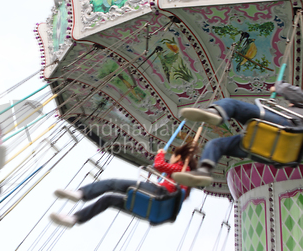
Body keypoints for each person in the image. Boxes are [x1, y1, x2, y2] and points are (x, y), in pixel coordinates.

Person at [172, 82, 303, 187]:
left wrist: (278, 86)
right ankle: (203, 171)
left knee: (232, 104)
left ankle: (217, 112)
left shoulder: (296, 110)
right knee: (215, 144)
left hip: (286, 128)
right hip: (282, 155)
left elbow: (293, 92)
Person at [49, 143, 198, 228]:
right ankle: (74, 219)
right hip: (152, 211)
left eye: (172, 157)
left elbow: (158, 165)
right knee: (108, 200)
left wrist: (160, 153)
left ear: (179, 157)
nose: (170, 160)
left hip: (158, 194)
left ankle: (81, 194)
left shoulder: (182, 168)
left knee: (112, 183)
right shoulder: (185, 183)